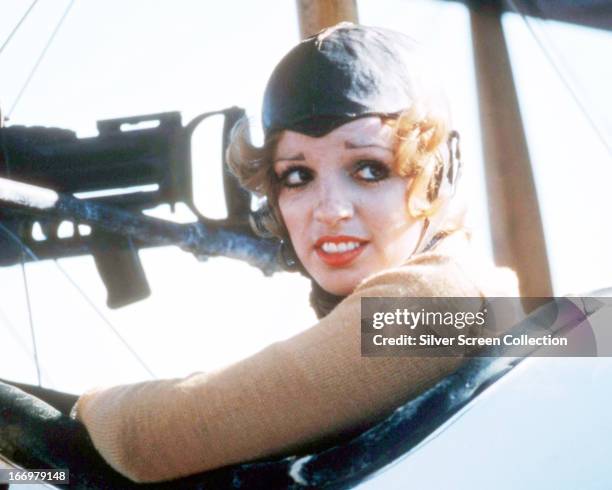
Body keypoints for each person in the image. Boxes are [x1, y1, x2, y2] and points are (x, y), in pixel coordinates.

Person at [3, 23, 518, 483]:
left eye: (368, 169)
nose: (329, 208)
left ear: (436, 175)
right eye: (297, 176)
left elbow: (146, 441)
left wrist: (86, 408)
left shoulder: (447, 305)